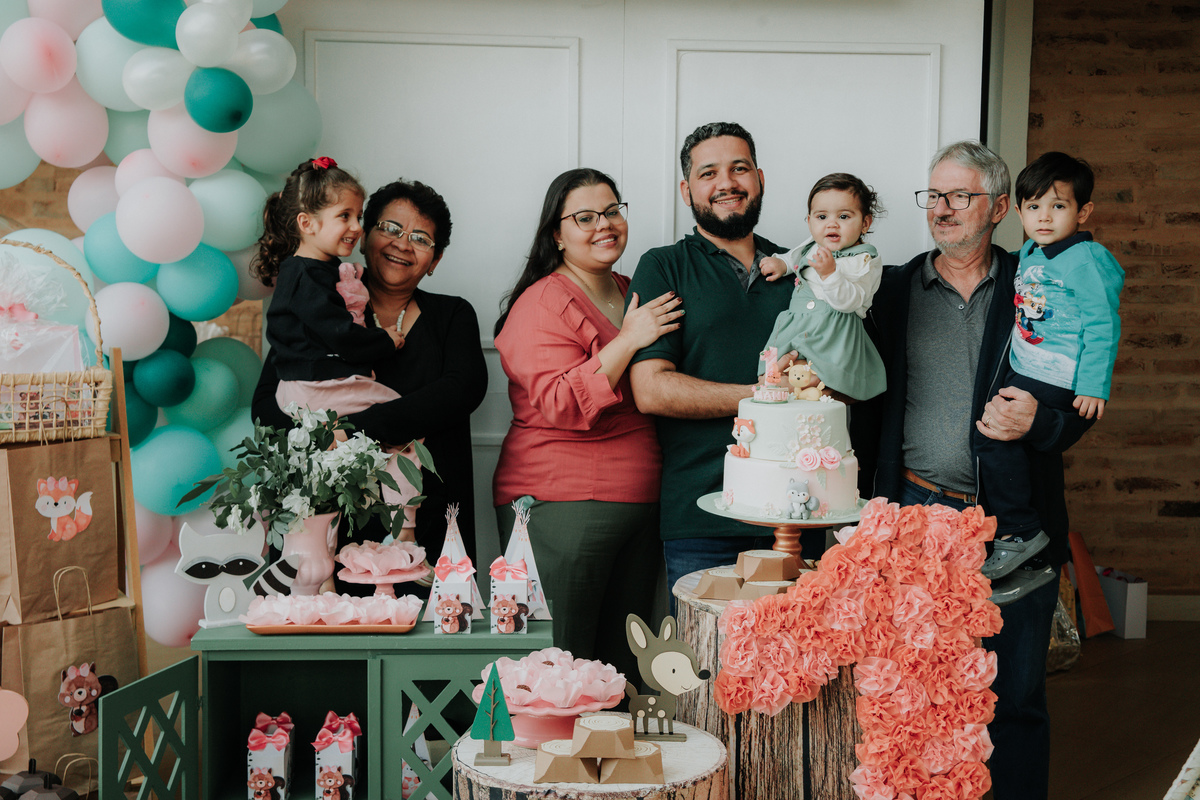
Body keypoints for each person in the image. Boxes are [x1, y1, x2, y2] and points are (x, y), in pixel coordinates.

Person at [851, 140, 1095, 800]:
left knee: (1014, 698)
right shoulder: (892, 291)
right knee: (918, 696)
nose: (942, 209)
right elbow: (860, 402)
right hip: (915, 517)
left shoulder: (1041, 286)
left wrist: (1038, 424)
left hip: (1013, 526)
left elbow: (1081, 400)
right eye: (934, 195)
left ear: (997, 208)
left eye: (959, 195)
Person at [493, 168, 682, 680]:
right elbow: (558, 402)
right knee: (565, 668)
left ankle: (613, 761)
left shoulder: (630, 288)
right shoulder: (542, 302)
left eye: (613, 211)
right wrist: (628, 339)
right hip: (565, 505)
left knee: (620, 672)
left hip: (642, 504)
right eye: (585, 217)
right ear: (556, 232)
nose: (605, 224)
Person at [252, 177, 487, 568]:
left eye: (421, 239)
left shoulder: (452, 315)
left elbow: (462, 389)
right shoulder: (315, 307)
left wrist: (350, 433)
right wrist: (330, 437)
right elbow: (266, 405)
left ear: (436, 260)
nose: (402, 244)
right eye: (390, 228)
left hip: (425, 523)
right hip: (327, 528)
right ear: (362, 237)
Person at [626, 121, 795, 597]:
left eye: (739, 169)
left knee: (797, 667)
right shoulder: (663, 266)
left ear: (759, 179)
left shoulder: (803, 268)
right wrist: (763, 397)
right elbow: (651, 389)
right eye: (709, 173)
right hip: (700, 514)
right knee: (706, 667)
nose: (726, 183)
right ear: (686, 189)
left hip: (796, 513)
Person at [974, 151, 1123, 579]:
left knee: (993, 437)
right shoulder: (1031, 253)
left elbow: (1102, 325)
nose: (1045, 217)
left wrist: (1094, 386)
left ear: (1083, 211)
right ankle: (1018, 531)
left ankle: (1020, 532)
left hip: (1058, 373)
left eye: (1058, 206)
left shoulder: (1086, 260)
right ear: (1018, 211)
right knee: (995, 436)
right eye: (1034, 207)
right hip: (1028, 365)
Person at [758, 172, 887, 401]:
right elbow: (795, 257)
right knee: (771, 370)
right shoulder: (812, 245)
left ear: (865, 223)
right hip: (795, 323)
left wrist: (830, 274)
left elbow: (851, 302)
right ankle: (767, 395)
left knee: (819, 387)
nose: (831, 224)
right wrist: (783, 263)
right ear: (809, 222)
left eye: (844, 216)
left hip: (834, 333)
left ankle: (813, 410)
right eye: (821, 217)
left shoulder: (865, 259)